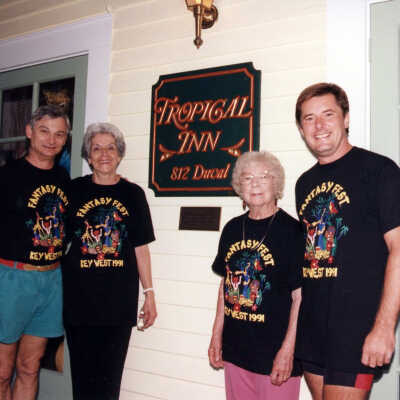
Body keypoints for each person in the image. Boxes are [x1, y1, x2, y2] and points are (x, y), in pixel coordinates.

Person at [295, 82, 400, 399]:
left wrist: (384, 327)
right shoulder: (304, 183)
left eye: (328, 114)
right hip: (313, 330)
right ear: (301, 129)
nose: (320, 125)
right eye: (309, 119)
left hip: (356, 328)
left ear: (346, 118)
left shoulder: (380, 171)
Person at [62, 122, 157, 400]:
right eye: (97, 148)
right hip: (78, 303)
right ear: (88, 157)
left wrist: (149, 294)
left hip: (118, 303)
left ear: (119, 154)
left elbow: (141, 248)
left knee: (109, 382)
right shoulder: (73, 191)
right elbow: (57, 243)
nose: (104, 154)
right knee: (82, 383)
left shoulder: (133, 194)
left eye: (110, 148)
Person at [208, 151, 303, 400]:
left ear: (277, 184)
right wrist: (217, 334)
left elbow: (300, 297)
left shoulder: (293, 232)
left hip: (274, 355)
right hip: (237, 350)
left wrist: (288, 350)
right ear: (240, 186)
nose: (256, 183)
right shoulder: (231, 229)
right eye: (248, 178)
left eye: (264, 176)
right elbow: (225, 286)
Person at [0, 105, 70, 400]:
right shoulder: (7, 176)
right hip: (11, 279)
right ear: (29, 132)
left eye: (59, 134)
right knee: (2, 372)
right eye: (44, 131)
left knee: (29, 368)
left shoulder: (64, 179)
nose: (51, 140)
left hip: (51, 281)